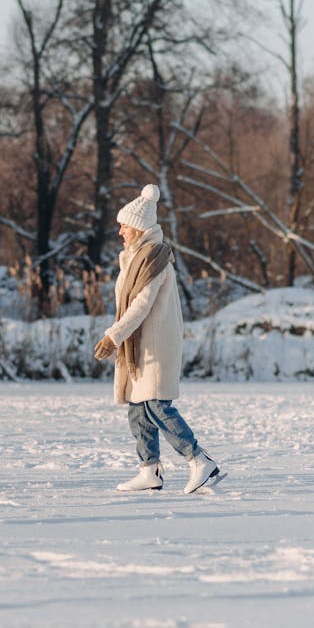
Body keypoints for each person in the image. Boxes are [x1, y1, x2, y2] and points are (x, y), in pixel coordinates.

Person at [94, 183, 222, 494]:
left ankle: (200, 461)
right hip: (143, 346)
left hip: (155, 343)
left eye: (124, 226)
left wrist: (114, 336)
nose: (121, 231)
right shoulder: (135, 257)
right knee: (138, 409)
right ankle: (149, 470)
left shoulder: (154, 258)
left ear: (138, 227)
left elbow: (142, 303)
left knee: (156, 406)